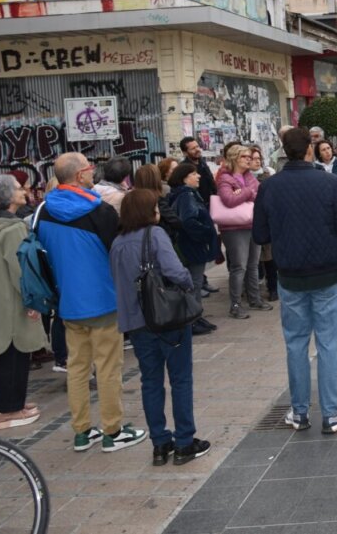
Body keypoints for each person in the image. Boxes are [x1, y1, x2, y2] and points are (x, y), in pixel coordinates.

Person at [253, 127, 337, 435]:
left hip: (290, 274)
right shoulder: (328, 183)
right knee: (328, 343)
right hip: (327, 272)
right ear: (310, 150)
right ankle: (330, 412)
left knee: (296, 344)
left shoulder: (270, 187)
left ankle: (299, 412)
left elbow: (260, 235)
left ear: (284, 151)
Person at [38, 152, 147, 453]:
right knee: (109, 368)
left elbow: (42, 255)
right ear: (79, 176)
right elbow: (119, 253)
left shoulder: (43, 211)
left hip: (68, 302)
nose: (93, 172)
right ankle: (113, 430)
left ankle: (82, 431)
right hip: (103, 299)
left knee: (77, 368)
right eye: (89, 168)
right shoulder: (99, 211)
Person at [109, 189, 210, 466]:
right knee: (180, 379)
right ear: (147, 210)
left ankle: (160, 442)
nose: (159, 210)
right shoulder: (154, 234)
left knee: (150, 381)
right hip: (166, 317)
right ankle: (185, 441)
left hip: (136, 322)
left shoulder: (117, 242)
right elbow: (176, 271)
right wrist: (190, 285)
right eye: (155, 206)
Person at [0, 174, 47, 430]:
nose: (23, 190)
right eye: (17, 188)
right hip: (10, 302)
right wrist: (33, 300)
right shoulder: (13, 229)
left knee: (1, 355)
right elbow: (20, 269)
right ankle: (9, 411)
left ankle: (10, 405)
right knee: (15, 352)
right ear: (7, 196)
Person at [216, 145, 271, 319]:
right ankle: (235, 304)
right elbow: (229, 200)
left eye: (249, 156)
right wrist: (248, 192)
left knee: (253, 264)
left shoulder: (248, 176)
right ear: (234, 158)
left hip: (252, 224)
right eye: (244, 156)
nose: (249, 159)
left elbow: (260, 195)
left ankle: (254, 299)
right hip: (234, 228)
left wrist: (243, 193)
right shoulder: (225, 178)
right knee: (239, 266)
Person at [166, 163, 220, 335]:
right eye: (194, 174)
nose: (198, 176)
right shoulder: (187, 195)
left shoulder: (183, 194)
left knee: (193, 282)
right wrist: (206, 234)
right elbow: (189, 221)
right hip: (193, 247)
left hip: (188, 245)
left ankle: (197, 316)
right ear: (184, 178)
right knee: (194, 283)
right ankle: (193, 319)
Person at [249, 145, 279, 301]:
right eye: (253, 159)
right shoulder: (243, 177)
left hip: (266, 218)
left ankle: (273, 288)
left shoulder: (268, 175)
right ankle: (252, 290)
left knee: (269, 257)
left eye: (258, 159)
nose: (256, 162)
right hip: (247, 219)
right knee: (253, 259)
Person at [180, 137, 218, 202]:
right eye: (193, 148)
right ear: (185, 153)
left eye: (197, 146)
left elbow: (211, 182)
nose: (197, 149)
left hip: (210, 201)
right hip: (197, 204)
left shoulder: (202, 162)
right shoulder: (184, 168)